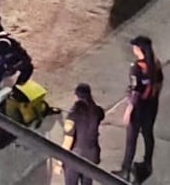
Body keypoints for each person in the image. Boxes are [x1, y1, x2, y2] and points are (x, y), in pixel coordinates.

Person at [112, 36, 164, 181]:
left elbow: (136, 91)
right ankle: (147, 163)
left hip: (139, 107)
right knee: (148, 134)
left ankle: (125, 170)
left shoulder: (136, 67)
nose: (133, 49)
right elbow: (159, 83)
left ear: (139, 49)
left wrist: (129, 110)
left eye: (135, 46)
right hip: (151, 105)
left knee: (131, 139)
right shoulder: (155, 64)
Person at [54, 83, 105, 185]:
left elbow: (68, 140)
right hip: (91, 155)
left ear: (76, 96)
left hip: (75, 157)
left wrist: (59, 162)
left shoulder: (73, 114)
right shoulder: (98, 111)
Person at [0, 31, 34, 96]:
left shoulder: (16, 48)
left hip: (8, 64)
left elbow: (27, 60)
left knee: (28, 67)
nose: (0, 56)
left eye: (3, 55)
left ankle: (19, 86)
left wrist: (13, 67)